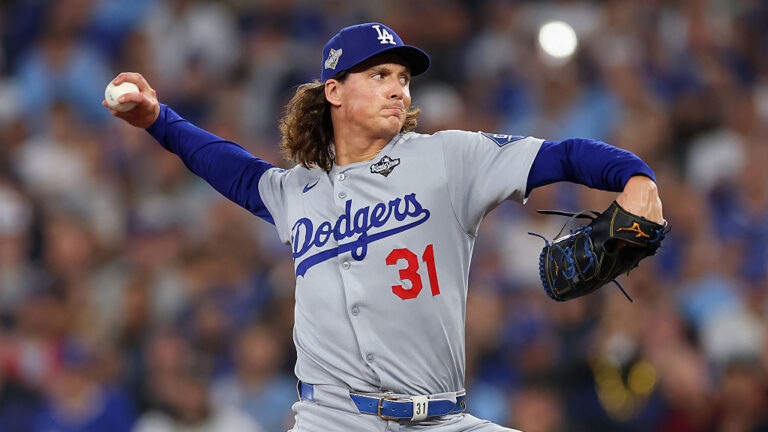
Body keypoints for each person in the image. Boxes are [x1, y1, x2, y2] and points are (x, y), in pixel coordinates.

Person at [104, 22, 663, 432]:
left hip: (441, 416)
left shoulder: (448, 159)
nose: (399, 87)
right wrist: (159, 119)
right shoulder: (297, 190)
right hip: (333, 419)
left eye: (402, 77)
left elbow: (561, 155)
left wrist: (634, 175)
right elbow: (229, 166)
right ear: (334, 91)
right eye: (379, 75)